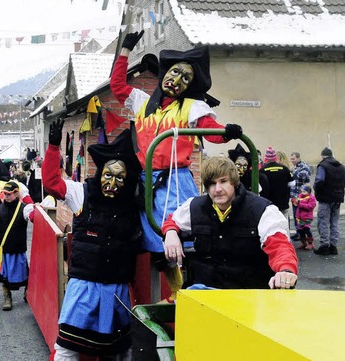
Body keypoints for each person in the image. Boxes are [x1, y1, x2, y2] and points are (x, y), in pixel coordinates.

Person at [110, 30, 243, 302]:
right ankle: (177, 294)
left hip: (175, 180)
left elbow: (211, 132)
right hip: (147, 184)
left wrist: (228, 131)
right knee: (157, 245)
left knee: (183, 238)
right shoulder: (142, 103)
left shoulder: (192, 107)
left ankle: (193, 292)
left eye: (186, 78)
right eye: (174, 72)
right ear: (164, 73)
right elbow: (117, 86)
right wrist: (124, 51)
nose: (177, 80)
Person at [43, 120, 143, 361]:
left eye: (120, 178)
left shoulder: (134, 203)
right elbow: (51, 184)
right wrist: (53, 147)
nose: (112, 182)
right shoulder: (82, 194)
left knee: (116, 351)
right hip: (83, 287)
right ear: (100, 172)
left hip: (116, 290)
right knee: (66, 348)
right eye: (108, 174)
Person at [162, 156, 298, 290]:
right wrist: (171, 233)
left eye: (223, 181)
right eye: (212, 183)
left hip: (249, 296)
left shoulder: (262, 210)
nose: (218, 189)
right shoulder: (194, 206)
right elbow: (172, 221)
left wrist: (285, 270)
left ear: (234, 182)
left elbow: (279, 245)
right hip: (206, 294)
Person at [0, 181, 35, 311]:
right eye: (5, 194)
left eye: (9, 194)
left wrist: (36, 214)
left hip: (18, 248)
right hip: (3, 249)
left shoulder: (24, 208)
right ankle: (7, 297)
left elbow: (31, 216)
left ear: (16, 193)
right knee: (5, 276)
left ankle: (27, 292)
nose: (7, 196)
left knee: (24, 274)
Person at [313, 147, 345, 256]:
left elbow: (319, 180)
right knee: (334, 222)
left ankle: (324, 246)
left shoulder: (323, 165)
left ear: (323, 156)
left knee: (323, 221)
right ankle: (333, 246)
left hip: (325, 198)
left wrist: (316, 189)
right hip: (337, 198)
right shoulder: (341, 166)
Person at [260, 146, 294, 219]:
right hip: (283, 204)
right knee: (284, 225)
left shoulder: (262, 170)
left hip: (268, 205)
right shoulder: (284, 169)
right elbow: (292, 183)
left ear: (266, 158)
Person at [289, 152, 311, 240]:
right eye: (291, 159)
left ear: (298, 158)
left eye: (293, 159)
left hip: (301, 196)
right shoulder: (295, 167)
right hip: (294, 195)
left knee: (301, 215)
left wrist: (293, 171)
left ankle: (303, 233)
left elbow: (303, 177)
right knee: (295, 214)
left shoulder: (304, 166)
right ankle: (298, 232)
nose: (292, 161)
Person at [294, 185, 316, 250]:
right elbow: (296, 203)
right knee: (301, 231)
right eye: (302, 191)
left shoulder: (311, 198)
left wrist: (300, 204)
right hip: (299, 217)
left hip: (307, 217)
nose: (302, 193)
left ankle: (310, 243)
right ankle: (304, 243)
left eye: (304, 191)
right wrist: (295, 201)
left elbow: (310, 206)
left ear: (308, 192)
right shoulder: (300, 196)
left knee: (306, 229)